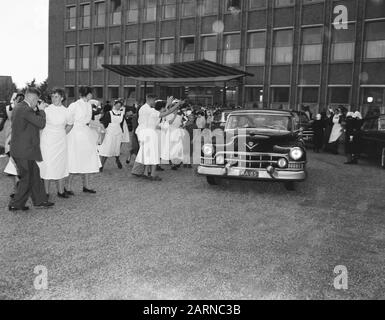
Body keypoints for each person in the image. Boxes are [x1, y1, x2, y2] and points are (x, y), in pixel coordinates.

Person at [8, 87, 54, 211]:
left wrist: (36, 110)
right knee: (27, 178)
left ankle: (40, 200)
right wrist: (42, 111)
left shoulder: (20, 107)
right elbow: (41, 124)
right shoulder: (25, 109)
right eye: (37, 100)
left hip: (24, 150)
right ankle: (16, 203)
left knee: (34, 174)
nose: (37, 103)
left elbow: (31, 122)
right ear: (32, 98)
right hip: (24, 151)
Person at [135, 95, 183, 181]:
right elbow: (165, 113)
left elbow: (162, 111)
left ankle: (146, 173)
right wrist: (177, 105)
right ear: (151, 100)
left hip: (143, 133)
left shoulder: (144, 108)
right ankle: (152, 174)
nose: (154, 102)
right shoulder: (151, 111)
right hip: (149, 133)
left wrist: (168, 103)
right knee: (154, 154)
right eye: (154, 100)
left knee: (148, 153)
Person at [66, 86, 101, 195]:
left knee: (87, 159)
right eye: (91, 93)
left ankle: (86, 185)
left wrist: (98, 126)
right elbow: (68, 118)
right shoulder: (74, 105)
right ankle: (68, 187)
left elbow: (88, 120)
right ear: (88, 94)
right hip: (75, 134)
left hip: (86, 134)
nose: (92, 95)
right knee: (74, 159)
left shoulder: (89, 105)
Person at [38, 88, 72, 199]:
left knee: (60, 165)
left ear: (62, 98)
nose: (54, 98)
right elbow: (41, 124)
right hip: (47, 140)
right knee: (47, 165)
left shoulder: (66, 111)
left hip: (60, 141)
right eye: (52, 96)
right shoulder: (47, 109)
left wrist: (62, 133)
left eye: (56, 96)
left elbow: (70, 124)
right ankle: (46, 192)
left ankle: (61, 191)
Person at [99, 100, 125, 171]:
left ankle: (117, 160)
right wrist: (103, 130)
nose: (118, 107)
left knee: (116, 148)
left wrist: (122, 132)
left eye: (120, 106)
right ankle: (101, 165)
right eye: (117, 105)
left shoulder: (122, 114)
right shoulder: (109, 113)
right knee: (107, 148)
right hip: (110, 132)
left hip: (118, 132)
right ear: (114, 105)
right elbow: (103, 122)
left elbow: (122, 124)